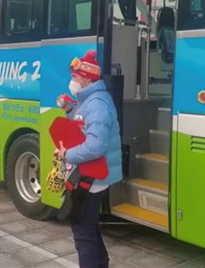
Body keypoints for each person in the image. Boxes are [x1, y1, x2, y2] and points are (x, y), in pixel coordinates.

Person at [55, 50, 123, 268]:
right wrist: (69, 110)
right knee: (88, 226)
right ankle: (101, 263)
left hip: (92, 175)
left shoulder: (96, 103)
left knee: (82, 232)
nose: (71, 81)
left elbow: (95, 145)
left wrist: (67, 154)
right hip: (91, 172)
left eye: (74, 76)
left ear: (87, 77)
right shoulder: (89, 100)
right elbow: (83, 127)